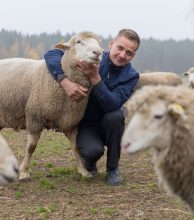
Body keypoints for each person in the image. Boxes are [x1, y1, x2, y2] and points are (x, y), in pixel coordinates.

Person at [44, 29, 140, 186]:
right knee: (92, 151)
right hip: (86, 122)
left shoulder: (131, 76)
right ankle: (90, 159)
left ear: (133, 56)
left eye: (129, 53)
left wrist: (95, 78)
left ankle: (113, 169)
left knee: (115, 115)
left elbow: (113, 104)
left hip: (109, 124)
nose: (122, 55)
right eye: (120, 48)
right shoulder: (92, 55)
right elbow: (52, 54)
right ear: (111, 44)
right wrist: (64, 81)